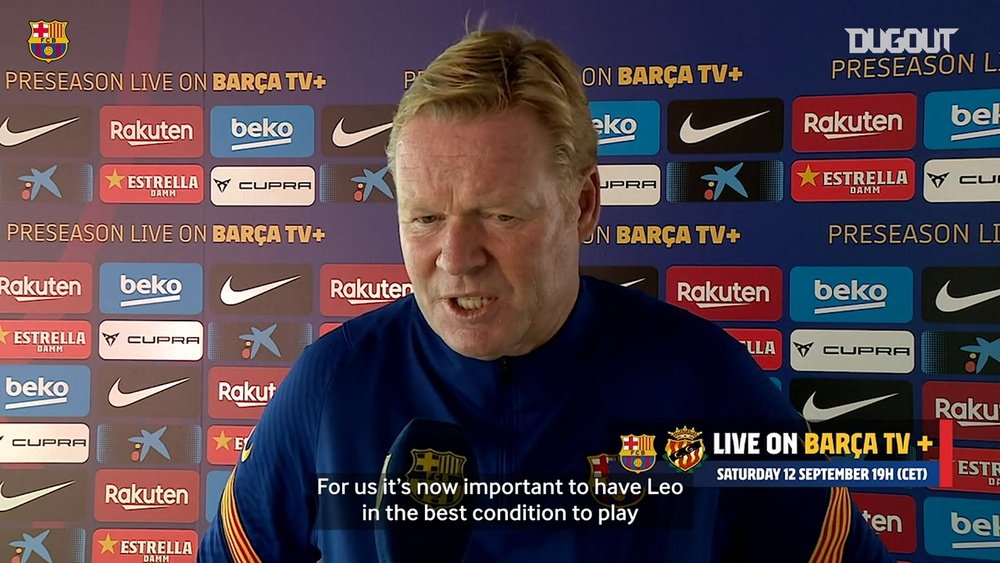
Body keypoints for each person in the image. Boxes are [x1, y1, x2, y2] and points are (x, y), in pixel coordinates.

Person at [199, 27, 893, 562]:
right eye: (426, 218)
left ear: (583, 203)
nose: (457, 258)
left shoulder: (704, 380)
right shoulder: (334, 386)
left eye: (501, 216)